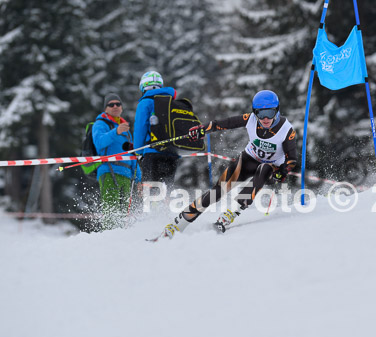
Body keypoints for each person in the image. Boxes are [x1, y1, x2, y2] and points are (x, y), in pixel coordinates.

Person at [154, 89, 297, 239]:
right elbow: (224, 124)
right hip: (249, 159)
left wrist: (283, 171)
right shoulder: (250, 119)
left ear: (277, 111)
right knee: (218, 191)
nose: (265, 118)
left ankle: (230, 213)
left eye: (270, 113)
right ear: (255, 112)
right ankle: (179, 224)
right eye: (261, 113)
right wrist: (202, 129)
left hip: (271, 167)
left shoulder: (286, 129)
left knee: (264, 168)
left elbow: (291, 159)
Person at [92, 93, 141, 229]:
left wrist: (138, 179)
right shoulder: (101, 124)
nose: (115, 106)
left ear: (122, 107)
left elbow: (132, 154)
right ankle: (108, 242)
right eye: (111, 104)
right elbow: (99, 143)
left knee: (123, 215)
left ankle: (121, 243)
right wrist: (116, 132)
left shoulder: (125, 128)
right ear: (105, 108)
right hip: (109, 171)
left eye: (118, 104)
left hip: (126, 176)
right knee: (111, 213)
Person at [133, 70, 180, 192]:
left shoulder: (145, 103)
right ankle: (167, 211)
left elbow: (140, 129)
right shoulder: (172, 102)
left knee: (151, 191)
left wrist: (137, 151)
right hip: (172, 153)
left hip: (152, 152)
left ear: (143, 86)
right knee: (167, 192)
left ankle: (151, 211)